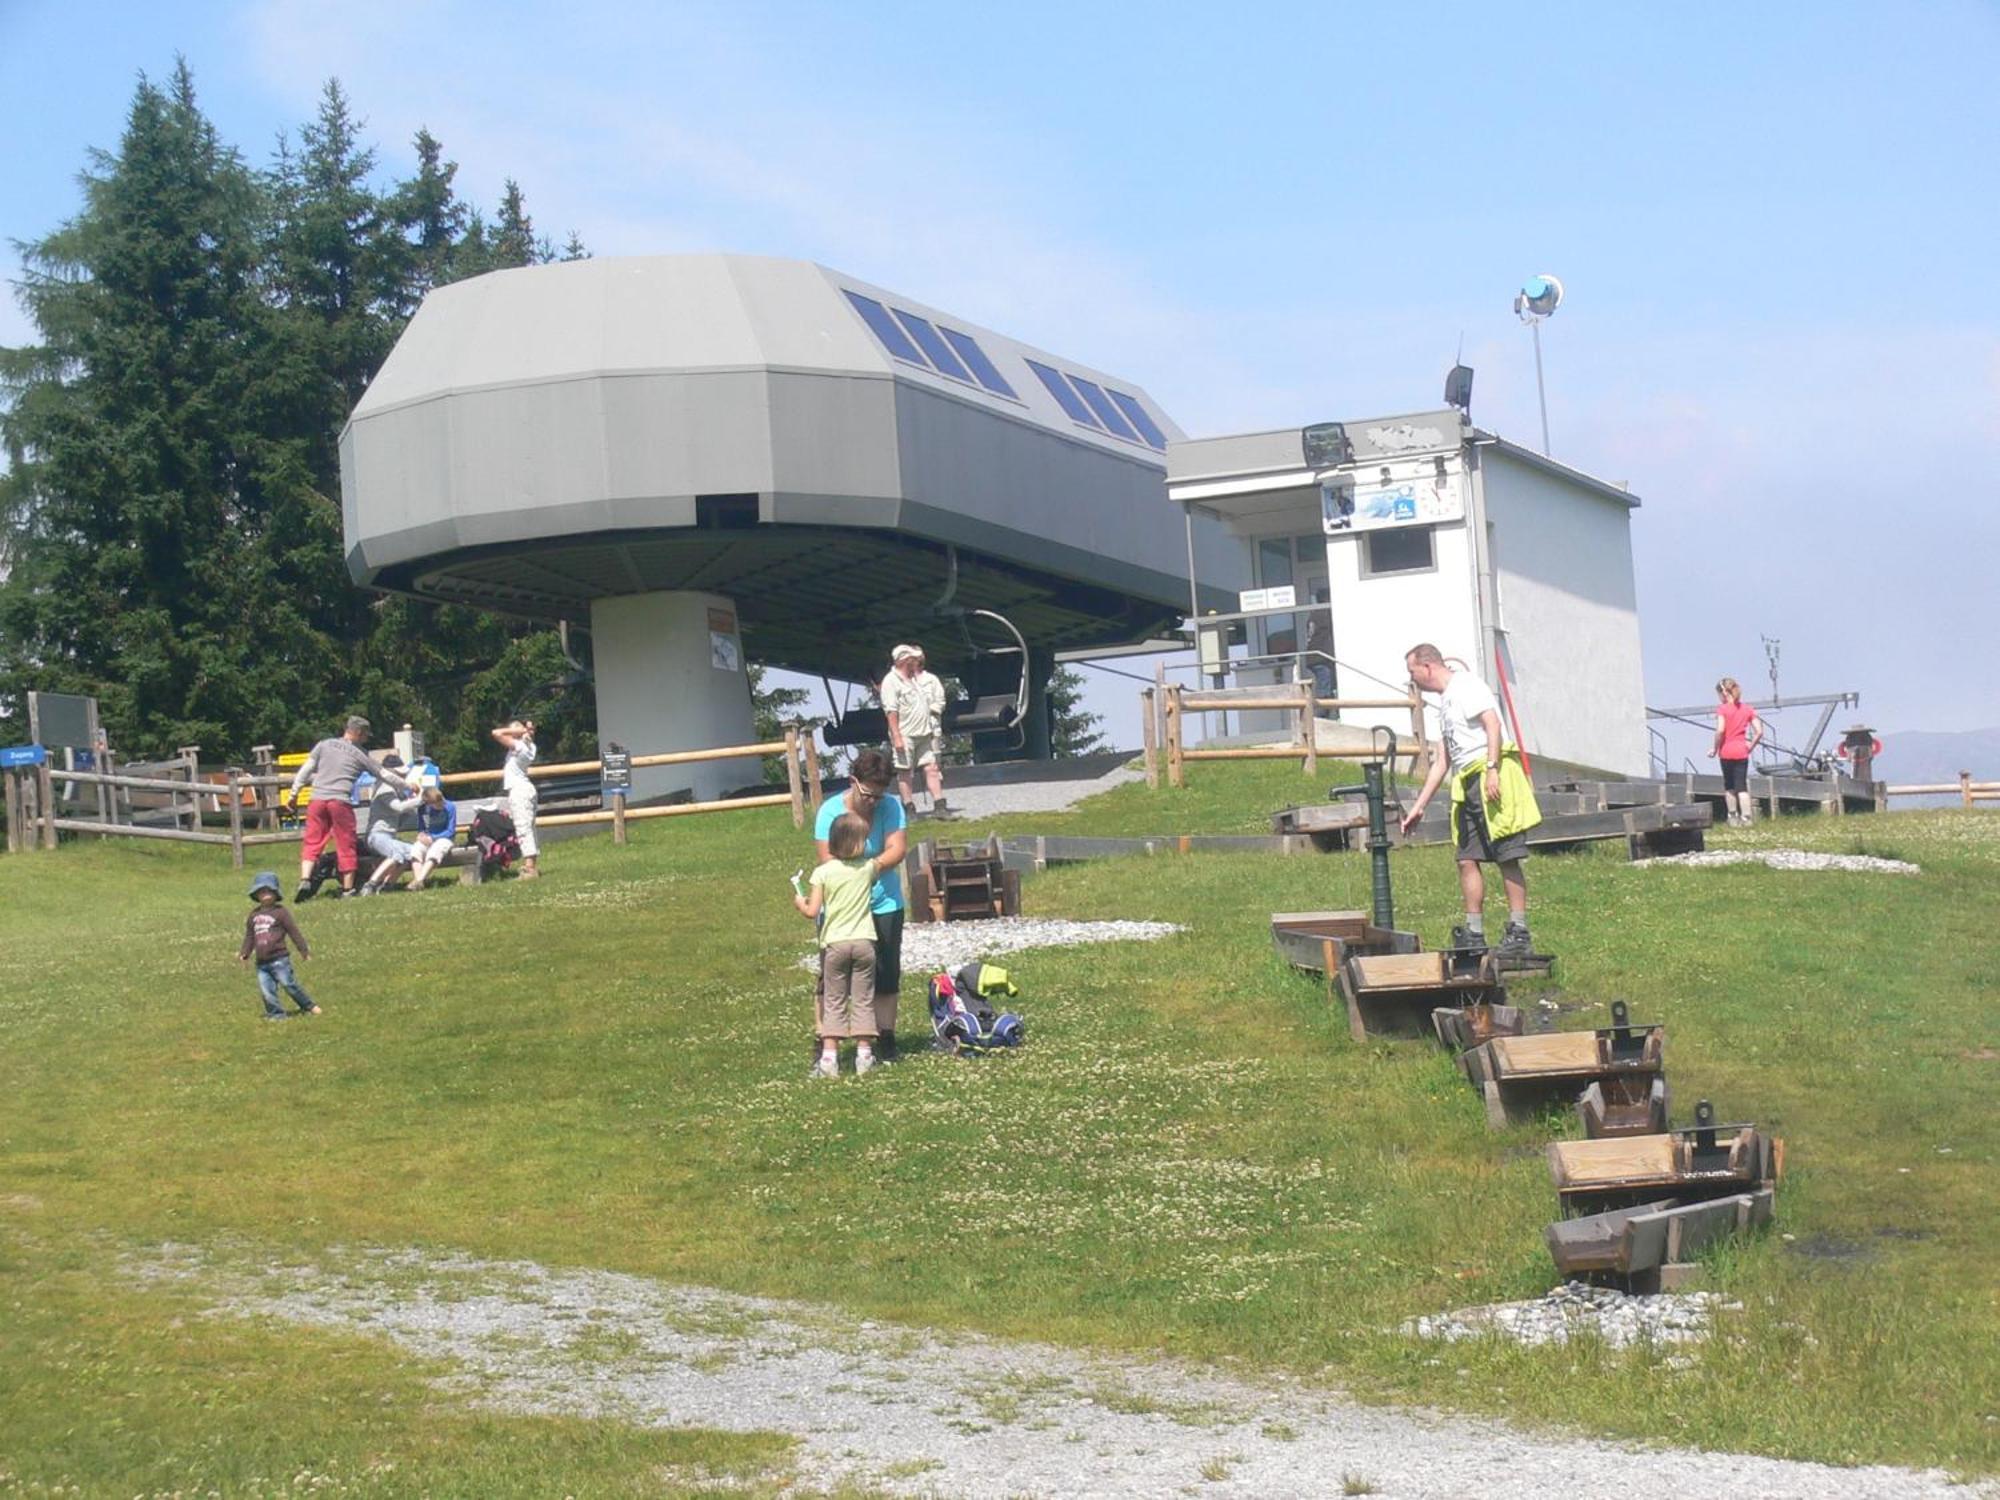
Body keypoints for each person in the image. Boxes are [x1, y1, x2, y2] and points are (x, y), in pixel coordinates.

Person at [1397, 643, 1537, 957]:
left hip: (1491, 777)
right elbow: (1442, 762)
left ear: (1427, 667)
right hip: (1465, 782)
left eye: (1412, 672)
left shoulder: (1467, 686)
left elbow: (1493, 725)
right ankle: (1474, 934)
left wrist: (1492, 769)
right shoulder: (1445, 703)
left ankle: (1519, 930)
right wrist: (1418, 808)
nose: (1412, 679)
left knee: (1507, 854)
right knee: (1466, 858)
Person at [812, 747, 907, 1057]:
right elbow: (827, 859)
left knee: (885, 971)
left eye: (879, 796)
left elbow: (897, 848)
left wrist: (870, 870)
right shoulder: (830, 811)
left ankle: (884, 1036)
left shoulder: (891, 807)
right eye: (868, 795)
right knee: (832, 974)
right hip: (840, 909)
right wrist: (857, 879)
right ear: (853, 781)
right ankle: (824, 1038)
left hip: (884, 903)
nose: (873, 802)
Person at [794, 812, 898, 1077]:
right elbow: (875, 873)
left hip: (835, 944)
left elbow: (812, 911)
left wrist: (800, 902)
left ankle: (829, 1058)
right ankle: (865, 1055)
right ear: (856, 844)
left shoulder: (822, 873)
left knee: (834, 999)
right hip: (864, 942)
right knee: (863, 999)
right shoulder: (867, 868)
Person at [284, 716, 410, 900]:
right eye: (366, 735)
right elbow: (385, 774)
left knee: (312, 841)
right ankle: (347, 889)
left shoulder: (324, 744)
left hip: (317, 799)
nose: (367, 739)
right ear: (358, 733)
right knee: (346, 843)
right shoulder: (360, 754)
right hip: (339, 801)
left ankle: (305, 878)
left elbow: (306, 770)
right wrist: (407, 786)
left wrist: (293, 794)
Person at [239, 870, 319, 1020]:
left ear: (276, 893)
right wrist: (245, 953)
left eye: (269, 890)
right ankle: (276, 1014)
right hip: (261, 962)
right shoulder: (253, 915)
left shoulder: (281, 912)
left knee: (289, 984)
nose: (265, 894)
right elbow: (250, 936)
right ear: (256, 894)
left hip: (279, 959)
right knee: (266, 990)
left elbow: (293, 932)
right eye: (261, 891)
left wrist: (303, 950)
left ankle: (309, 1005)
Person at [881, 643, 947, 813]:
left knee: (931, 768)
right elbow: (891, 711)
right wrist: (896, 737)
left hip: (924, 733)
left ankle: (940, 805)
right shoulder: (891, 681)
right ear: (905, 660)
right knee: (905, 772)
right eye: (914, 659)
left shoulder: (914, 680)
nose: (917, 662)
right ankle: (909, 807)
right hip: (905, 735)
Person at [356, 753, 421, 895]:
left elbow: (406, 811)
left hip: (389, 836)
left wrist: (412, 797)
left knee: (412, 852)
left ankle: (387, 885)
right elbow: (399, 807)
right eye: (399, 774)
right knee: (397, 854)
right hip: (376, 836)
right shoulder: (384, 787)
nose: (403, 777)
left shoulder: (396, 789)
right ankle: (370, 884)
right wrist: (421, 799)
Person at [1708, 677, 1765, 827]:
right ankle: (1747, 818)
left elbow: (1720, 730)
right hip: (1742, 751)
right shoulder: (1748, 709)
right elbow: (1759, 732)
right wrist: (1750, 747)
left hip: (1726, 751)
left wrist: (1714, 749)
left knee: (1730, 786)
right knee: (1742, 786)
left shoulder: (1722, 709)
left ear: (1724, 693)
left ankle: (1732, 817)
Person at [492, 718, 541, 879]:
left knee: (523, 828)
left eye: (512, 731)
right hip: (526, 789)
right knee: (528, 827)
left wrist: (518, 732)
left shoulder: (520, 746)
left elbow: (496, 733)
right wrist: (525, 732)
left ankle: (529, 868)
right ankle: (531, 864)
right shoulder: (529, 746)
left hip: (520, 790)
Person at [406, 777, 460, 889]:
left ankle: (418, 880)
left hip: (445, 838)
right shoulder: (423, 809)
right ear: (429, 804)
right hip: (428, 837)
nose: (441, 805)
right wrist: (421, 834)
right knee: (415, 850)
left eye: (441, 802)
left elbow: (450, 831)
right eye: (437, 804)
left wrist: (433, 838)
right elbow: (422, 826)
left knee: (436, 850)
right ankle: (419, 883)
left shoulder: (450, 807)